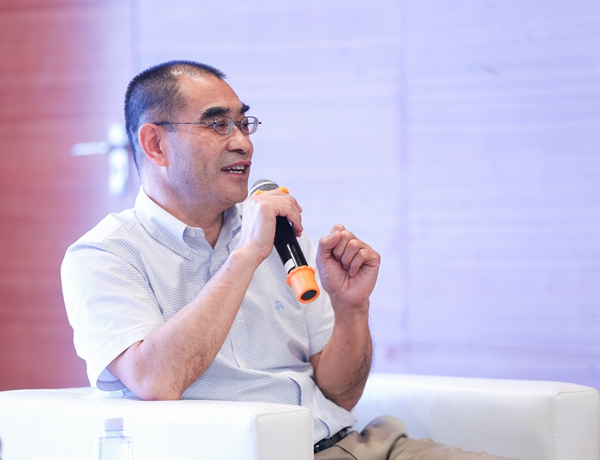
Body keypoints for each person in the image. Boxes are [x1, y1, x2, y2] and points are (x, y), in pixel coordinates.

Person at [61, 60, 518, 460]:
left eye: (244, 124)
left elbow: (341, 392)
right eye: (218, 125)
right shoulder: (105, 255)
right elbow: (157, 381)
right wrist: (246, 256)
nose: (243, 143)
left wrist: (351, 309)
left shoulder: (277, 235)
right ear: (155, 144)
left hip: (358, 444)